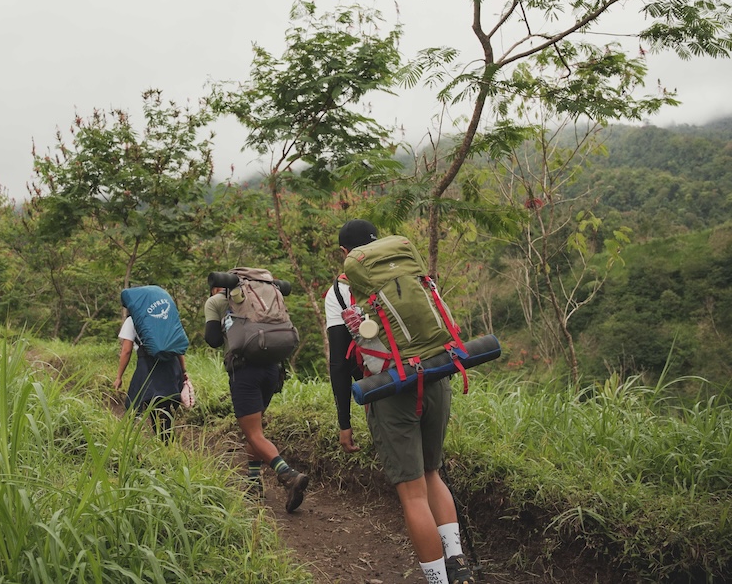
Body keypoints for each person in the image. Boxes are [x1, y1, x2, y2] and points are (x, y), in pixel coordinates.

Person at [325, 219, 476, 584]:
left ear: (347, 254)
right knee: (431, 473)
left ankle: (438, 580)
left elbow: (339, 364)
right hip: (436, 376)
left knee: (412, 493)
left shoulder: (340, 291)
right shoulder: (412, 271)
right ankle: (457, 563)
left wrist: (344, 421)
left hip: (389, 389)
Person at [204, 284, 309, 512]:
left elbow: (212, 339)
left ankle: (287, 474)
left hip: (244, 370)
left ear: (214, 288)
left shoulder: (216, 301)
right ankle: (254, 483)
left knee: (253, 433)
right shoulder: (261, 297)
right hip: (272, 369)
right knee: (256, 429)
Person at [113, 311, 188, 443]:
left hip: (148, 366)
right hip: (171, 364)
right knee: (164, 405)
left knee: (146, 404)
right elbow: (177, 346)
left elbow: (126, 350)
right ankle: (167, 442)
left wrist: (119, 376)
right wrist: (183, 371)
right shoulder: (166, 317)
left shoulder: (132, 320)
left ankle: (157, 443)